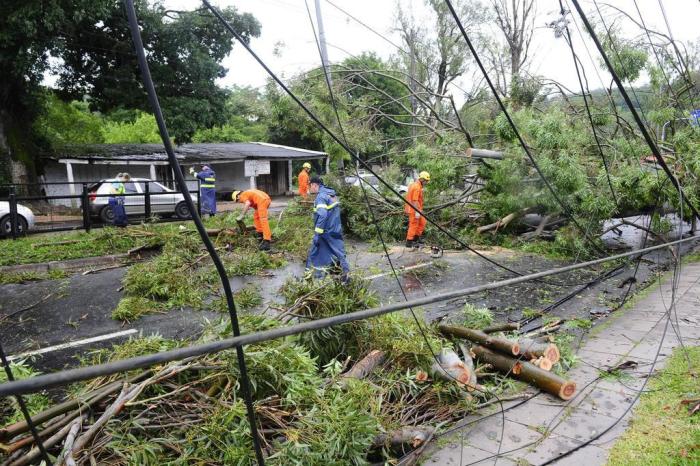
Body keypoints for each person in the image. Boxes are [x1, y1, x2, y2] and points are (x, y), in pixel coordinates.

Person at [306, 176, 350, 280]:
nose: (310, 188)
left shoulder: (321, 196)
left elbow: (322, 215)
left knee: (315, 252)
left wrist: (317, 233)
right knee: (337, 251)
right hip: (335, 228)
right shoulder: (331, 194)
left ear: (314, 185)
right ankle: (343, 274)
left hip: (326, 231)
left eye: (310, 185)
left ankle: (308, 276)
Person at [405, 171, 430, 248]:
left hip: (416, 208)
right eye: (426, 181)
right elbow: (414, 200)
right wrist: (417, 211)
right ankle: (409, 242)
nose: (426, 182)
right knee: (414, 225)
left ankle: (416, 239)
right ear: (422, 179)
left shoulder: (416, 185)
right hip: (413, 209)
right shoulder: (416, 187)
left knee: (422, 222)